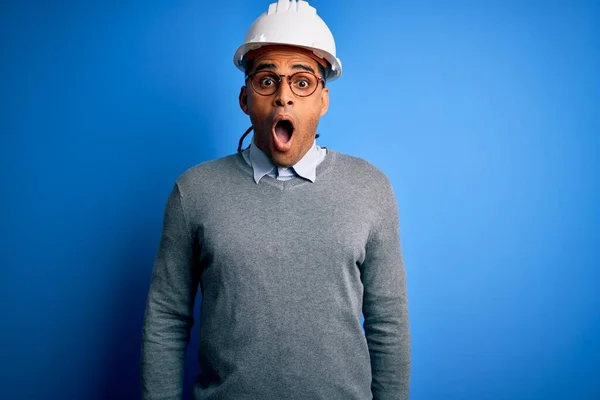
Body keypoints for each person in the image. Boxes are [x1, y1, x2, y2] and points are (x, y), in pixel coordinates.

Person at [140, 0, 410, 399]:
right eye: (267, 80)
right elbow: (166, 318)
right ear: (246, 99)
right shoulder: (194, 191)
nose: (284, 96)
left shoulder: (370, 188)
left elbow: (388, 323)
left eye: (302, 82)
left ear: (323, 101)